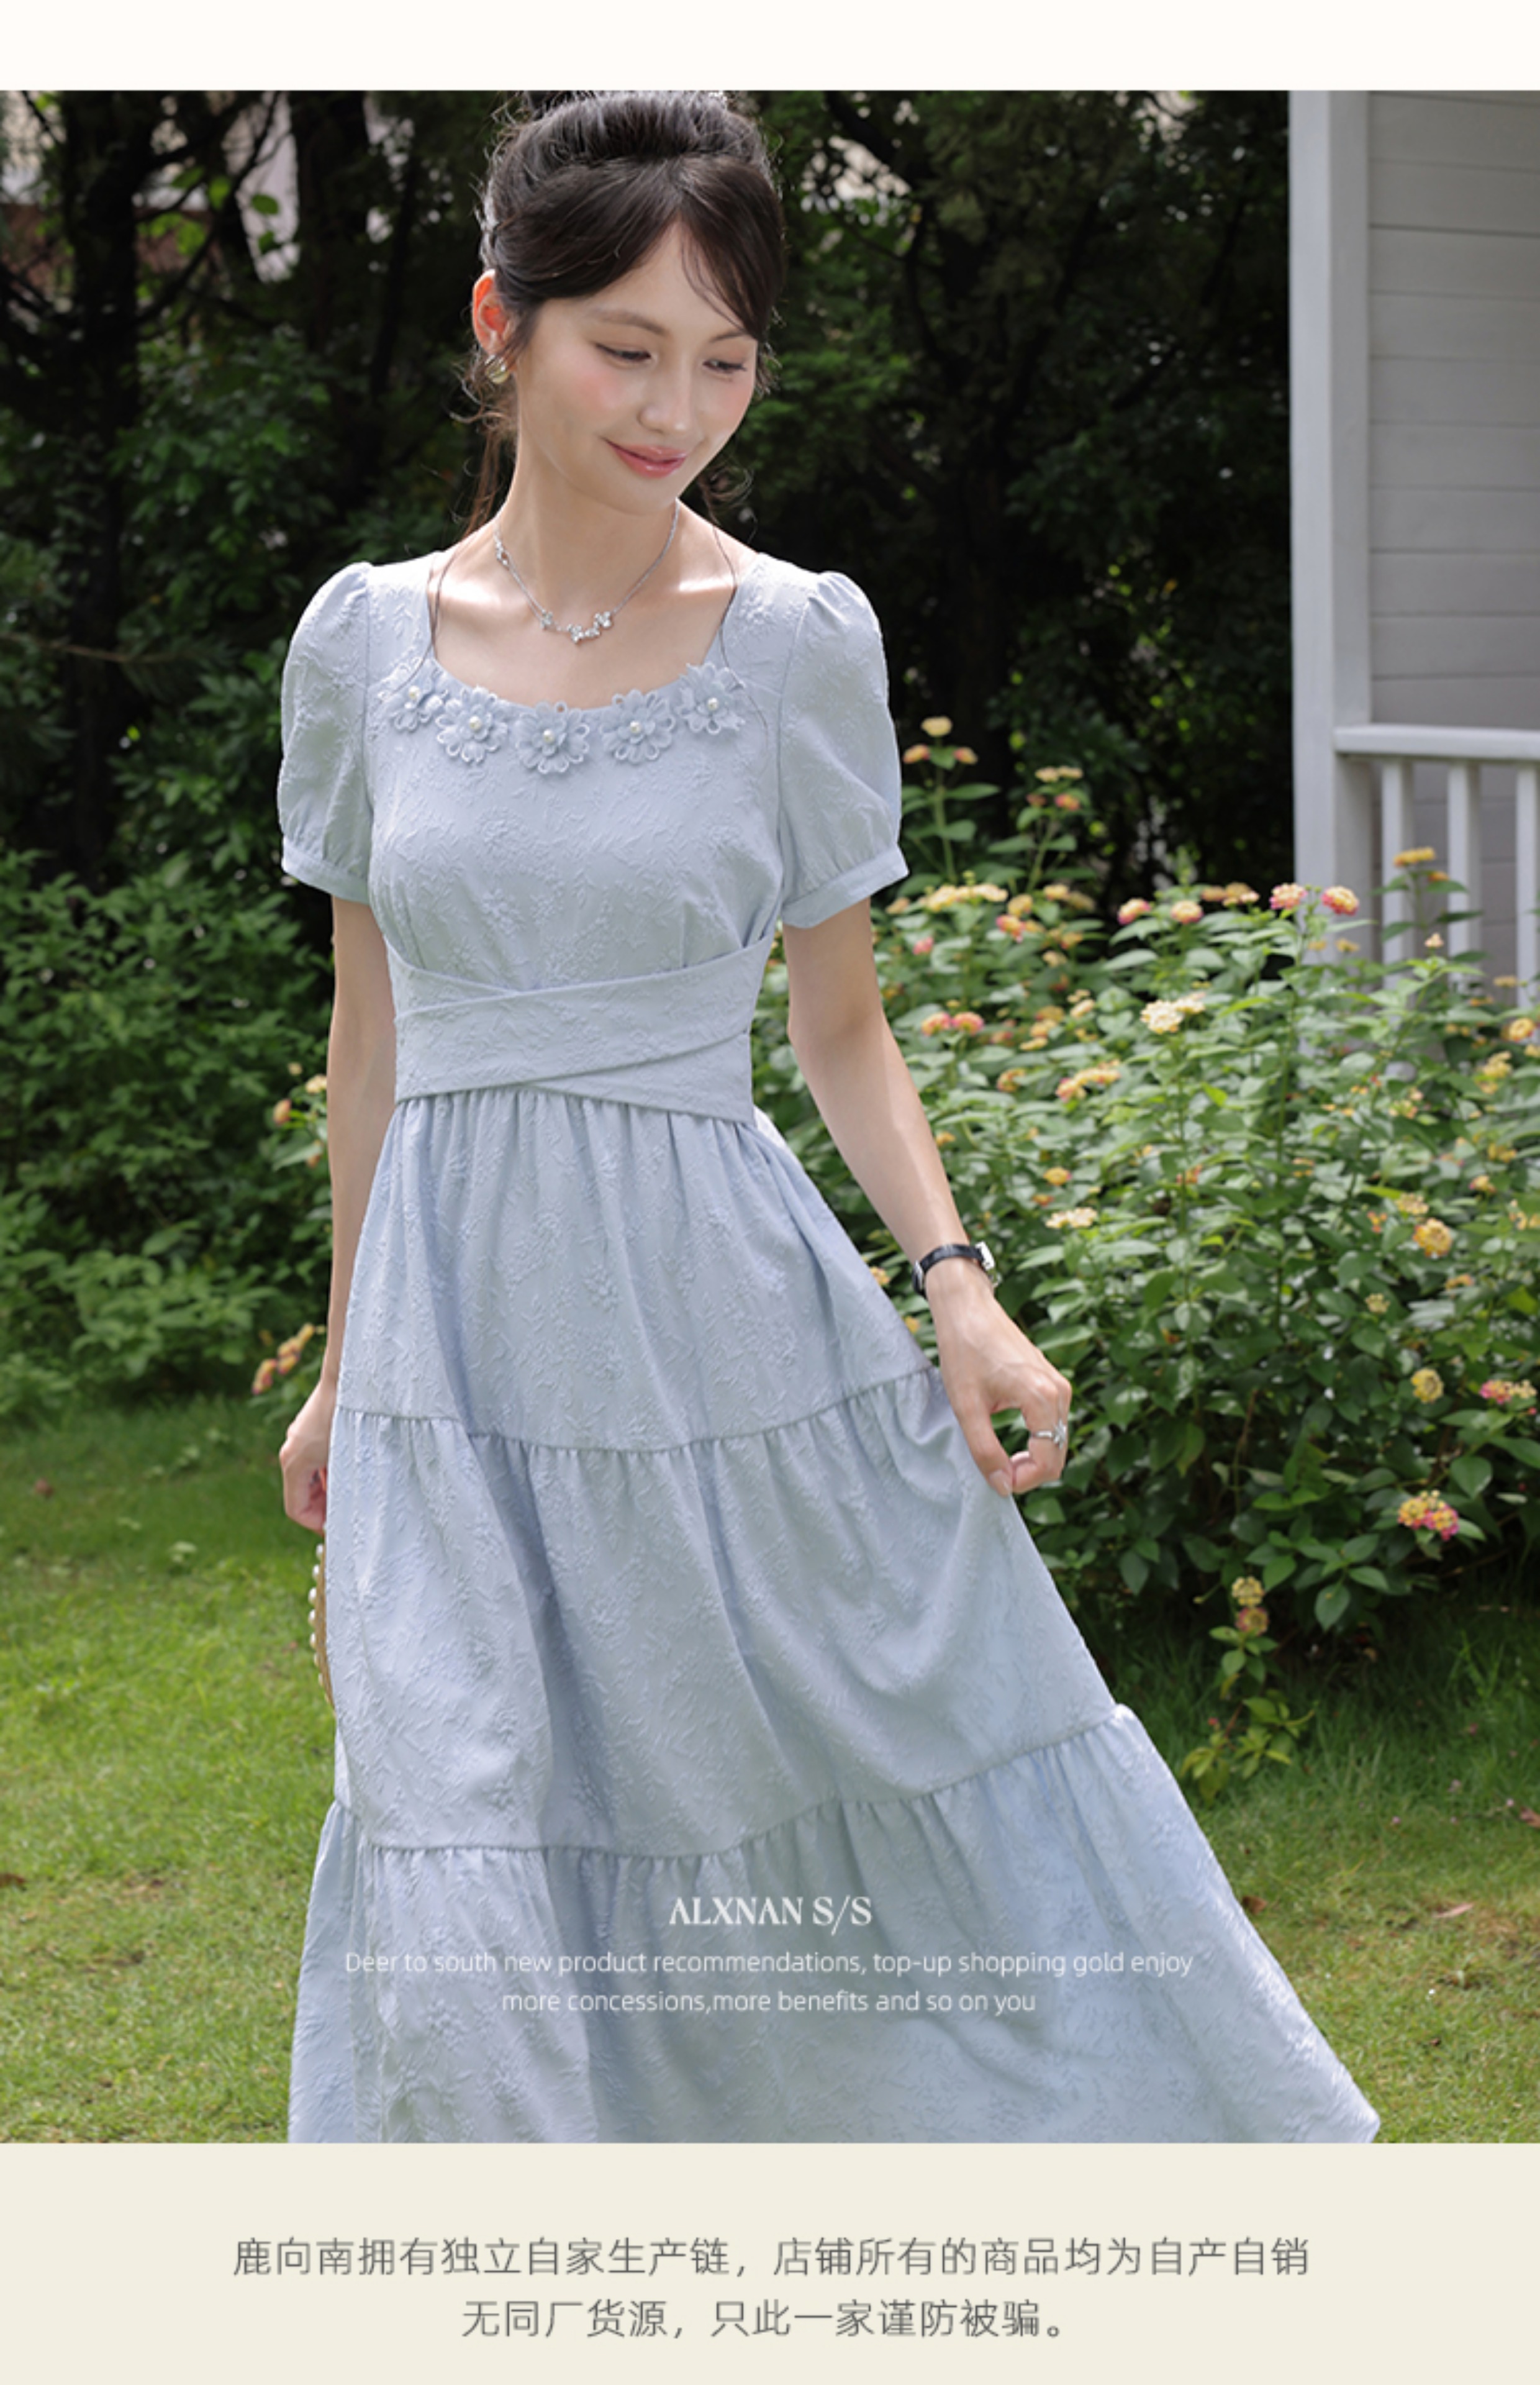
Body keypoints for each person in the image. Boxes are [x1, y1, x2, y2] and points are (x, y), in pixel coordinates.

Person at [274, 90, 1379, 2144]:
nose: (677, 408)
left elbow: (843, 1025)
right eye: (628, 347)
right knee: (455, 1822)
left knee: (820, 1772)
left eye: (727, 357)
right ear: (502, 321)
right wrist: (352, 1360)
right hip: (451, 1345)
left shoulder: (793, 640)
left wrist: (960, 1292)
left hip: (718, 1317)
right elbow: (372, 1029)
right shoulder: (360, 643)